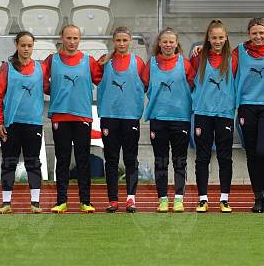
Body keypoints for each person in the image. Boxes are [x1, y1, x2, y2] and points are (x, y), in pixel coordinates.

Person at [43, 24, 103, 213]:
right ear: (61, 38)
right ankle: (61, 201)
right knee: (62, 159)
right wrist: (52, 91)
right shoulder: (52, 60)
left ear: (80, 39)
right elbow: (41, 80)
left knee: (82, 159)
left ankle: (85, 201)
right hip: (60, 115)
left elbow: (102, 78)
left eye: (75, 38)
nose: (72, 42)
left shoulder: (88, 61)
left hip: (82, 116)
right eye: (68, 38)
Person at [141, 28, 195, 213]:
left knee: (180, 160)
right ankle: (162, 199)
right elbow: (144, 84)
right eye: (164, 41)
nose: (168, 45)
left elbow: (194, 84)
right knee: (161, 161)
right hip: (158, 118)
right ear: (159, 43)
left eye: (171, 41)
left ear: (177, 43)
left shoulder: (185, 64)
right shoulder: (152, 64)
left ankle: (179, 199)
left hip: (181, 118)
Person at [0, 31, 45, 214]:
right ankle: (6, 203)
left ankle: (35, 203)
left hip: (33, 123)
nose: (26, 49)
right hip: (11, 124)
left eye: (29, 45)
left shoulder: (40, 68)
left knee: (33, 162)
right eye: (23, 45)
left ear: (33, 46)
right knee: (9, 162)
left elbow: (51, 88)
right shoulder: (6, 68)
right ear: (16, 45)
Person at [235, 18, 264, 213]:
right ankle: (257, 197)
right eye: (254, 33)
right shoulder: (239, 51)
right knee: (251, 153)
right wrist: (198, 51)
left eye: (261, 33)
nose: (258, 36)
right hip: (247, 106)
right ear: (249, 34)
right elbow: (217, 57)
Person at [97, 26, 147, 213]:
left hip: (130, 116)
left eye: (125, 40)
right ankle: (113, 200)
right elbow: (92, 75)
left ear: (131, 42)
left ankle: (131, 199)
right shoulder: (104, 63)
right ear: (113, 41)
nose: (121, 44)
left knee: (130, 158)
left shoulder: (138, 62)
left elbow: (148, 83)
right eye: (118, 40)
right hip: (109, 116)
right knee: (111, 159)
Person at [190, 20, 237, 214]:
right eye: (214, 37)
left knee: (225, 157)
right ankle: (203, 199)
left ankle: (224, 199)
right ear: (208, 39)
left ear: (226, 38)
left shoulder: (234, 58)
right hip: (203, 113)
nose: (217, 41)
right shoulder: (198, 57)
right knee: (203, 157)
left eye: (221, 37)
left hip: (225, 113)